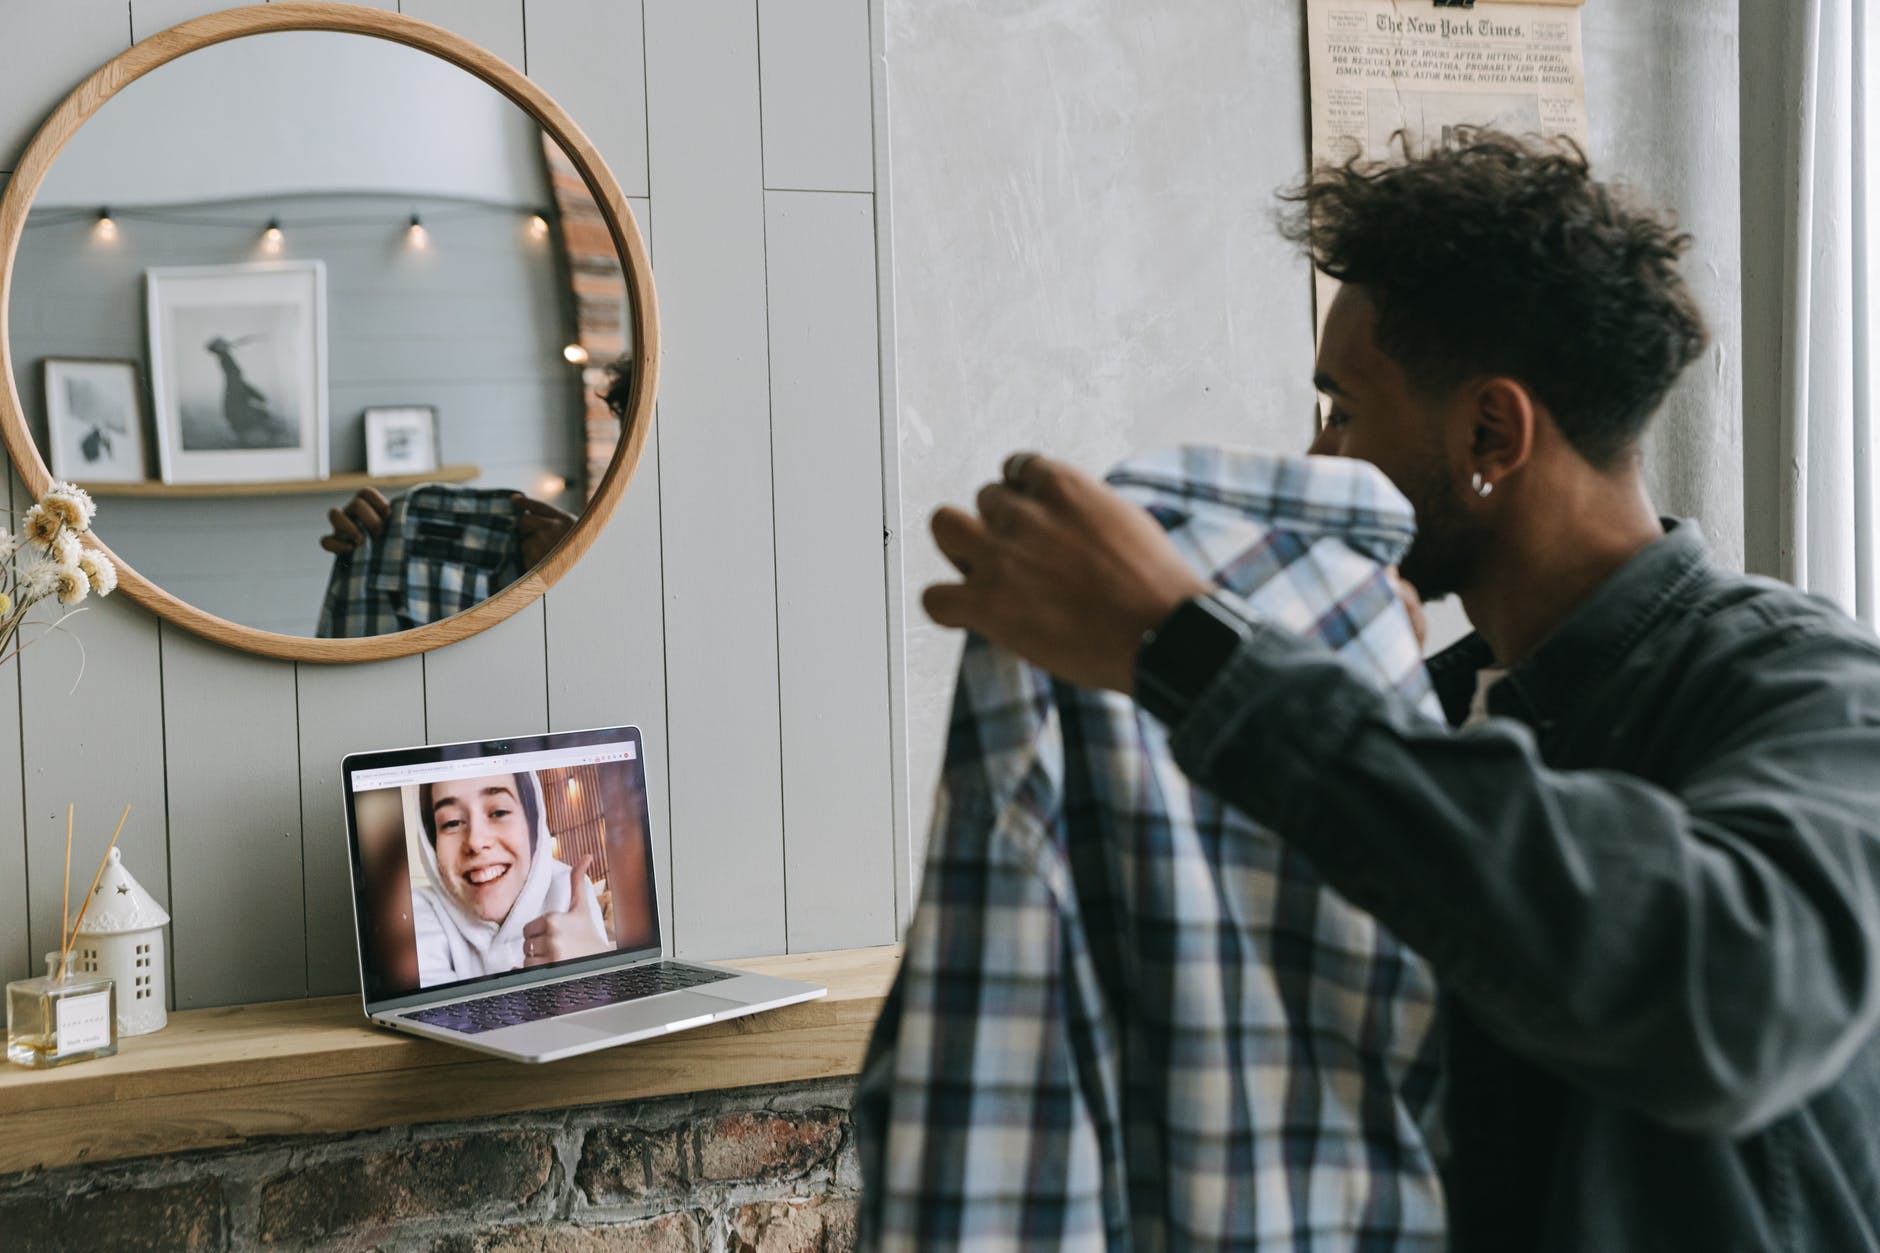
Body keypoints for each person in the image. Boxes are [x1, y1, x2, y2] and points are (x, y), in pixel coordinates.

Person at [921, 134, 1880, 1251]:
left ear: (1487, 434)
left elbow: (1729, 1000)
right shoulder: (1415, 700)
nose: (1316, 456)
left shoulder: (1804, 682)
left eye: (1341, 408)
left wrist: (1180, 643)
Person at [410, 769, 610, 985]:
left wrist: (598, 970)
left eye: (499, 812)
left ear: (532, 822)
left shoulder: (568, 890)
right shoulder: (417, 913)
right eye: (452, 822)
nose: (476, 842)